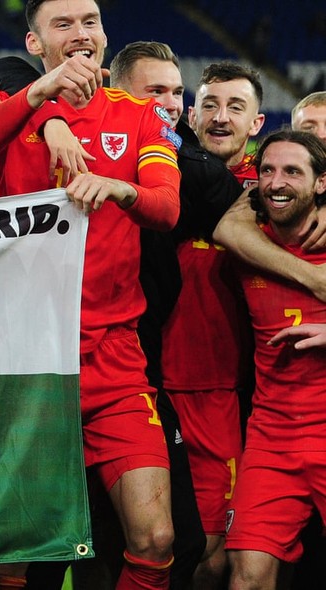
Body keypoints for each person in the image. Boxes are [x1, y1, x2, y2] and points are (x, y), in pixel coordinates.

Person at [0, 1, 181, 587]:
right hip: (26, 363)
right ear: (35, 44)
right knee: (13, 557)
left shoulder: (143, 117)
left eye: (90, 21)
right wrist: (45, 106)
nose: (81, 34)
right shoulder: (14, 114)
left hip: (113, 358)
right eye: (63, 24)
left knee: (156, 539)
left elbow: (166, 207)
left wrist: (119, 186)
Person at [114, 42, 248, 590]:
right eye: (156, 91)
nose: (169, 102)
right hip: (127, 379)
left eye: (176, 91)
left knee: (204, 549)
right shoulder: (116, 162)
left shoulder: (257, 191)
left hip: (214, 392)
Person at [223, 129, 326, 590]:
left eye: (291, 171)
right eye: (267, 170)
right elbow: (226, 227)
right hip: (273, 437)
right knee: (247, 575)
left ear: (321, 183)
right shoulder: (248, 244)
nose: (276, 182)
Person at [188, 62, 265, 186]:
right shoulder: (170, 171)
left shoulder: (267, 180)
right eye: (210, 106)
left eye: (235, 108)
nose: (220, 118)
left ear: (255, 124)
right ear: (193, 118)